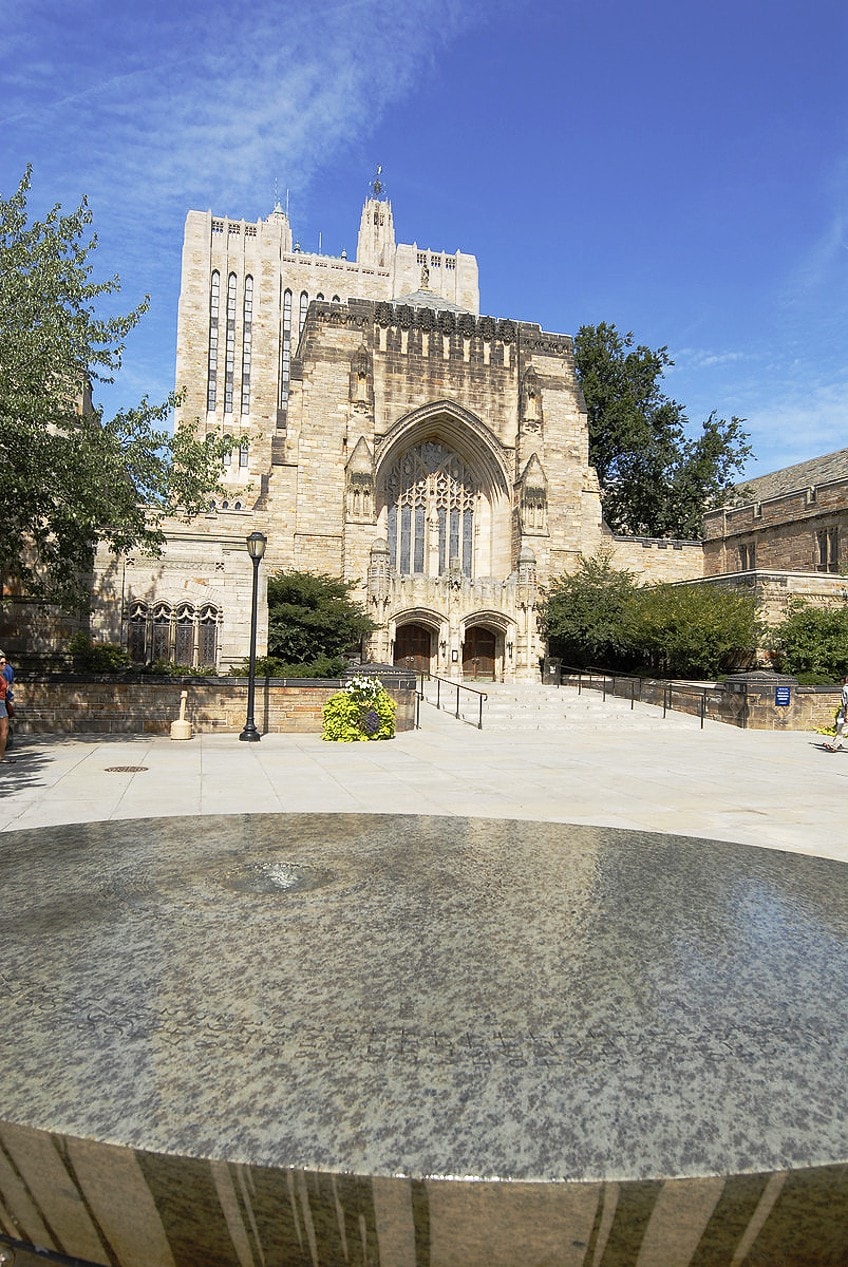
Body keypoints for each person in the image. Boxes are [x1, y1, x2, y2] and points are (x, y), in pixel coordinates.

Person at [825, 675, 848, 751]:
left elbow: (847, 703)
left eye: (842, 679)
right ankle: (839, 744)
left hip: (845, 712)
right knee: (840, 727)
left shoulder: (846, 688)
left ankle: (834, 746)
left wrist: (846, 715)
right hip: (843, 712)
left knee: (842, 729)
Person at [0, 650, 13, 764]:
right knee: (4, 730)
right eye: (1, 663)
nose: (4, 665)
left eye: (5, 663)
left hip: (2, 702)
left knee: (4, 730)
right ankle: (1, 757)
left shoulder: (2, 675)